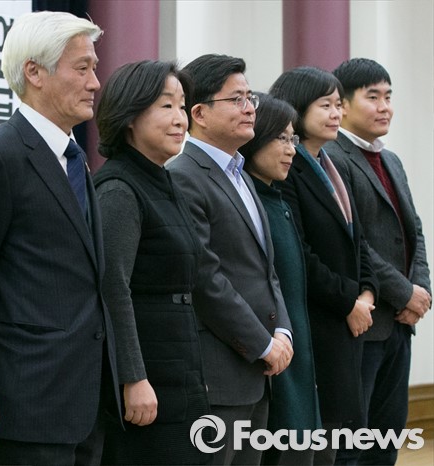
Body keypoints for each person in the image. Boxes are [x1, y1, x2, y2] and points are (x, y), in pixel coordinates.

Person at [0, 11, 120, 465]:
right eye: (82, 68)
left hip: (86, 400)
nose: (95, 83)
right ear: (34, 72)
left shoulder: (74, 158)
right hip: (27, 401)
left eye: (94, 68)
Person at [167, 54, 293, 466]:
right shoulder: (184, 175)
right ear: (199, 113)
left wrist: (282, 332)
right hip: (219, 374)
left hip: (258, 370)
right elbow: (205, 278)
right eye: (236, 99)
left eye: (250, 97)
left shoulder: (239, 174)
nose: (250, 108)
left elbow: (265, 270)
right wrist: (262, 343)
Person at [93, 60, 211, 465]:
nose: (180, 119)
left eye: (182, 106)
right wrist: (133, 377)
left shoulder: (163, 179)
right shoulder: (119, 188)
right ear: (129, 116)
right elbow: (113, 288)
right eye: (166, 106)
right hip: (149, 377)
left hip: (180, 369)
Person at [269, 66, 379, 465]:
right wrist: (349, 301)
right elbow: (299, 255)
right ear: (297, 108)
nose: (337, 113)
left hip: (348, 321)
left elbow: (357, 241)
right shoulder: (286, 169)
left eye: (338, 105)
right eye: (326, 105)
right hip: (316, 323)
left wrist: (367, 292)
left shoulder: (330, 165)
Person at [325, 58, 431, 465]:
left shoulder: (392, 160)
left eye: (388, 96)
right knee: (350, 444)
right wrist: (404, 293)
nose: (385, 106)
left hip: (400, 323)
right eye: (373, 97)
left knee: (387, 439)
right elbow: (355, 243)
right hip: (363, 323)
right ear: (343, 105)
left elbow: (413, 230)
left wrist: (420, 291)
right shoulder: (332, 158)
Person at [238, 93, 321, 466]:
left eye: (294, 139)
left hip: (293, 354)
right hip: (268, 361)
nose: (291, 150)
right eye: (281, 138)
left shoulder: (278, 201)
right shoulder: (251, 203)